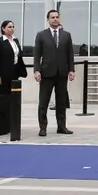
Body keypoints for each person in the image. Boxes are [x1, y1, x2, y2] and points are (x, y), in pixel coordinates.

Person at [32, 9, 75, 137]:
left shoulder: (66, 35)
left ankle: (61, 126)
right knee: (43, 102)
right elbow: (37, 55)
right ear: (48, 20)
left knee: (61, 102)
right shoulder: (41, 35)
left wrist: (71, 70)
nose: (55, 19)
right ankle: (43, 128)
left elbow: (70, 54)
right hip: (46, 73)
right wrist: (36, 70)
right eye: (52, 17)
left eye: (57, 17)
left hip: (62, 73)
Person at [0, 20, 27, 96]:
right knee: (3, 95)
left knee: (14, 94)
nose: (12, 29)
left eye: (13, 27)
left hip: (15, 73)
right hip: (4, 74)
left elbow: (18, 55)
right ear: (3, 28)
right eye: (9, 27)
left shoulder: (15, 40)